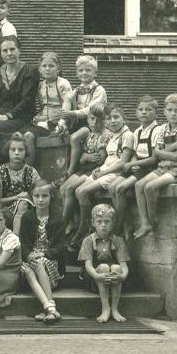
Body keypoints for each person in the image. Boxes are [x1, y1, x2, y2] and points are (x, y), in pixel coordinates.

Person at [133, 94, 177, 240]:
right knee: (139, 185)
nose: (173, 114)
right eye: (169, 110)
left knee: (150, 187)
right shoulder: (163, 129)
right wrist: (174, 146)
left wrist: (163, 151)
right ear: (164, 111)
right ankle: (144, 223)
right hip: (163, 168)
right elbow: (156, 154)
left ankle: (152, 220)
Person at [71, 104, 135, 249]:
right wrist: (100, 168)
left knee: (82, 192)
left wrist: (104, 172)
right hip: (105, 170)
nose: (112, 121)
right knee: (77, 190)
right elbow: (109, 158)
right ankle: (88, 226)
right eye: (109, 118)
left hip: (116, 173)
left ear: (123, 118)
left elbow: (123, 162)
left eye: (116, 117)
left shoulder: (127, 135)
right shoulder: (113, 136)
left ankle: (83, 230)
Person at [0, 35, 39, 166]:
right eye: (5, 51)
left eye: (12, 49)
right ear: (0, 53)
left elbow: (27, 100)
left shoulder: (30, 71)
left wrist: (7, 116)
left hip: (21, 118)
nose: (9, 53)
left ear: (19, 51)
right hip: (1, 117)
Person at [60, 103, 111, 239]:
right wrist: (85, 156)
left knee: (71, 188)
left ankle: (67, 224)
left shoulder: (105, 135)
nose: (95, 123)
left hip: (95, 170)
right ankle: (70, 221)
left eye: (99, 119)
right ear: (88, 119)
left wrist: (86, 157)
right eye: (92, 119)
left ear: (105, 120)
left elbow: (100, 160)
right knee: (63, 188)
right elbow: (82, 159)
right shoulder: (89, 134)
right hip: (84, 168)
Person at [112, 95, 160, 237]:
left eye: (148, 109)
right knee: (111, 187)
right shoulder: (137, 131)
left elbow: (154, 159)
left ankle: (119, 228)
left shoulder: (157, 130)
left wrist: (133, 163)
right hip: (137, 167)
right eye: (140, 109)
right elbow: (135, 152)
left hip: (149, 169)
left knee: (120, 188)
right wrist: (133, 163)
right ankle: (125, 222)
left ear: (156, 113)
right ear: (136, 112)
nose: (144, 112)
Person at [20, 180, 66, 323]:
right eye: (36, 196)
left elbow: (59, 247)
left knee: (39, 264)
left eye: (44, 196)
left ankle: (49, 307)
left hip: (51, 261)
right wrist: (29, 256)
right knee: (29, 269)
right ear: (31, 197)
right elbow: (23, 244)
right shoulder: (27, 217)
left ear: (51, 197)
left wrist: (43, 254)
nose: (40, 200)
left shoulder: (58, 218)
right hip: (30, 260)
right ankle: (51, 309)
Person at [78, 204, 129, 323]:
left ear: (113, 223)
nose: (103, 225)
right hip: (94, 279)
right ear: (93, 223)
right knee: (103, 267)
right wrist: (96, 275)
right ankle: (105, 307)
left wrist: (122, 276)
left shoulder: (118, 241)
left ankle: (115, 309)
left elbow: (124, 266)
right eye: (99, 221)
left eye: (107, 221)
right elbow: (88, 265)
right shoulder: (88, 241)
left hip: (114, 280)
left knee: (116, 267)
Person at [24, 52, 73, 163]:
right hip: (46, 123)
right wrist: (38, 116)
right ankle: (28, 171)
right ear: (40, 69)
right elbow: (44, 107)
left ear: (58, 68)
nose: (47, 69)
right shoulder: (41, 85)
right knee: (27, 135)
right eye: (44, 66)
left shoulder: (63, 83)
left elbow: (67, 103)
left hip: (62, 122)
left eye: (51, 66)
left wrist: (62, 123)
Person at [0, 132, 41, 236]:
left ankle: (16, 238)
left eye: (20, 150)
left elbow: (39, 194)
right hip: (5, 211)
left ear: (26, 152)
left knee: (23, 203)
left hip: (27, 211)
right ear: (8, 152)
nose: (17, 153)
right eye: (13, 150)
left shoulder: (31, 171)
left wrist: (26, 199)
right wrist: (16, 197)